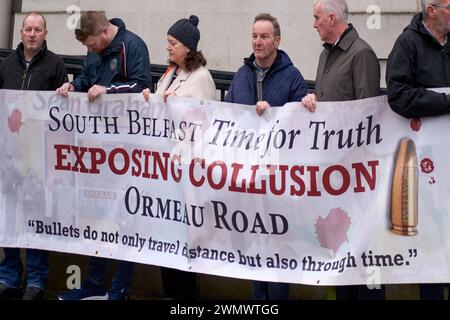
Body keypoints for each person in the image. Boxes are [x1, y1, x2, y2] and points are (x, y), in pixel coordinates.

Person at [56, 11, 152, 300]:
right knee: (98, 216)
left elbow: (142, 85)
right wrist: (73, 86)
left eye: (91, 44)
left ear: (103, 31)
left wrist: (109, 90)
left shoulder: (132, 46)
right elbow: (87, 78)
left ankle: (120, 288)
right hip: (97, 149)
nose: (89, 50)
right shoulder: (95, 50)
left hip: (127, 146)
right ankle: (94, 283)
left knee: (127, 217)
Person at [301, 0, 384, 300]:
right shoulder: (327, 55)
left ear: (332, 18)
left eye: (316, 18)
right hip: (334, 175)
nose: (314, 24)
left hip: (355, 176)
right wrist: (312, 102)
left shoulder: (361, 54)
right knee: (339, 250)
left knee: (364, 252)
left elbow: (368, 115)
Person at [225, 13, 310, 300]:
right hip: (247, 175)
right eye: (254, 36)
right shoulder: (241, 74)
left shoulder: (292, 76)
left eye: (263, 37)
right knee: (253, 244)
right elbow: (228, 114)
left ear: (277, 40)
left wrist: (273, 110)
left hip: (277, 177)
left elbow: (302, 123)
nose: (257, 42)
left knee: (277, 245)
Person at [143, 15, 216, 300]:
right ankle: (170, 294)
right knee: (165, 238)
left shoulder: (201, 79)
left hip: (184, 171)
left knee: (183, 240)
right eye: (168, 42)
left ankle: (185, 297)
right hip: (164, 169)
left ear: (188, 47)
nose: (168, 47)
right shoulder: (169, 73)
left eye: (173, 43)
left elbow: (203, 124)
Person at [0, 12, 68, 300]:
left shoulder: (55, 65)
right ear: (20, 33)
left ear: (45, 33)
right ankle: (10, 275)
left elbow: (64, 111)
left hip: (40, 153)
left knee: (38, 213)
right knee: (10, 214)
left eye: (37, 29)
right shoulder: (6, 65)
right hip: (9, 152)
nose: (31, 34)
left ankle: (36, 280)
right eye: (27, 29)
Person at [386, 0, 449, 300]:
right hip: (426, 166)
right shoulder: (408, 43)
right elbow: (397, 95)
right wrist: (444, 103)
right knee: (432, 243)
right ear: (432, 10)